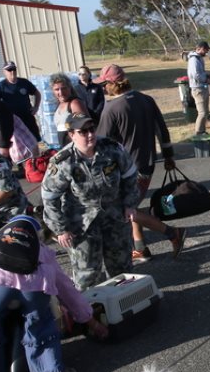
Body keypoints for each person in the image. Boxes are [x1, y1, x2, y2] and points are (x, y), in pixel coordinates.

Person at [0, 215, 108, 372]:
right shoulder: (42, 251)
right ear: (36, 235)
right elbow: (67, 291)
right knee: (41, 324)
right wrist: (92, 322)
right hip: (33, 286)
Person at [94, 65, 187, 263]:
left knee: (124, 210)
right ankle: (140, 248)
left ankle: (172, 233)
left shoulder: (111, 109)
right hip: (147, 164)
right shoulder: (146, 100)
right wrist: (168, 156)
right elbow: (162, 131)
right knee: (131, 206)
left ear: (113, 84)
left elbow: (100, 145)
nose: (102, 88)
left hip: (125, 170)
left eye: (103, 84)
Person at [41, 113, 140, 291]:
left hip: (115, 217)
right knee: (87, 273)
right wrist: (61, 229)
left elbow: (130, 176)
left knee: (121, 267)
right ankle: (90, 313)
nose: (89, 135)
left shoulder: (111, 149)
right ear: (72, 134)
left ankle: (125, 306)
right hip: (81, 224)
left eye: (91, 129)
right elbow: (49, 198)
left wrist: (130, 204)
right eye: (82, 131)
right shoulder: (64, 161)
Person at [0, 60, 43, 141]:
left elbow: (37, 93)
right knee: (18, 141)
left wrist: (36, 107)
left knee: (35, 138)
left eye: (14, 69)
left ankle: (40, 153)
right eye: (9, 70)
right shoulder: (1, 86)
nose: (12, 72)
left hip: (27, 116)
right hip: (13, 119)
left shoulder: (24, 82)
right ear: (4, 72)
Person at [51, 73, 88, 147]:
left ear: (70, 88)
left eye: (64, 88)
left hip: (75, 147)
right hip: (65, 146)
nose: (61, 92)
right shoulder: (59, 104)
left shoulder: (74, 103)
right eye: (57, 89)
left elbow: (84, 127)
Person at [187, 41, 210, 136]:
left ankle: (203, 131)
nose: (206, 51)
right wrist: (205, 79)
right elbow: (195, 75)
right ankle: (198, 133)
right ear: (200, 48)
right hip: (198, 89)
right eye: (206, 49)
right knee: (202, 113)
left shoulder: (199, 59)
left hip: (203, 88)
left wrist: (207, 75)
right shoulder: (193, 59)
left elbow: (200, 72)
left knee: (205, 112)